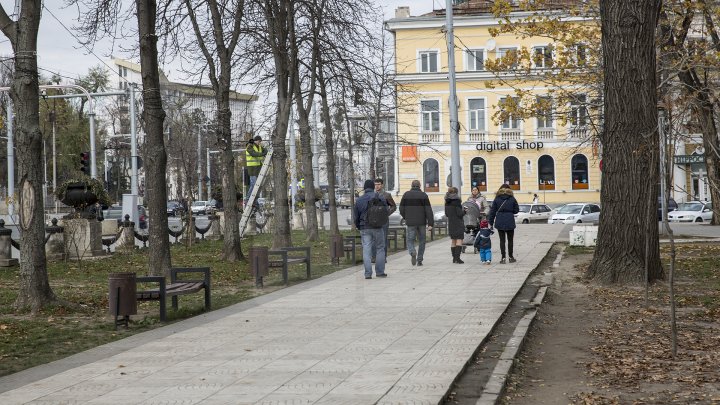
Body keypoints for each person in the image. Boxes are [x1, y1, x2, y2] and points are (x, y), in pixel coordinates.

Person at [354, 179, 389, 279]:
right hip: (378, 227)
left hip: (364, 227)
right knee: (380, 248)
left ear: (364, 188)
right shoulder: (380, 197)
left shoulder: (359, 200)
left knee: (366, 250)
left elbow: (356, 216)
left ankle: (368, 273)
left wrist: (358, 226)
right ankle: (380, 272)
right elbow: (386, 211)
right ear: (373, 187)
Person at [399, 180, 434, 266]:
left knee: (410, 240)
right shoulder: (423, 195)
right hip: (422, 222)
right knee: (422, 241)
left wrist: (405, 217)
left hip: (410, 222)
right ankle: (420, 260)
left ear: (411, 185)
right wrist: (430, 223)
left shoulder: (406, 194)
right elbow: (428, 210)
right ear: (420, 186)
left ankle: (412, 251)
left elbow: (401, 208)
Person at [487, 184, 520, 264]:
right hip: (509, 220)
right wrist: (510, 211)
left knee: (502, 240)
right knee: (510, 240)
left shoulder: (497, 198)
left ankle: (503, 258)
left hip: (500, 220)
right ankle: (511, 257)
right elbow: (516, 210)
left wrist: (490, 223)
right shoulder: (512, 198)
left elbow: (492, 212)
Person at [372, 178, 396, 263]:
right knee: (374, 239)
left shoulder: (387, 195)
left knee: (383, 238)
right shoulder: (372, 195)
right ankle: (374, 257)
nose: (377, 186)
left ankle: (383, 257)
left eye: (378, 184)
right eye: (375, 184)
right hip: (374, 220)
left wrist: (387, 213)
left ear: (382, 185)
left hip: (384, 220)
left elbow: (393, 206)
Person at [445, 186, 466, 264]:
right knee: (459, 240)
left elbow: (447, 214)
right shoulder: (457, 201)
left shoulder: (447, 201)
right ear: (456, 193)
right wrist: (465, 211)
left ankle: (454, 258)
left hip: (451, 223)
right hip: (458, 223)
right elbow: (460, 214)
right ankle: (458, 258)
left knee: (453, 241)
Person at [245, 135, 267, 206]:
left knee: (258, 186)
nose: (260, 143)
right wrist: (263, 154)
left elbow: (265, 150)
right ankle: (248, 199)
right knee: (253, 185)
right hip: (252, 169)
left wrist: (264, 152)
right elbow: (253, 154)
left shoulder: (259, 147)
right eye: (259, 141)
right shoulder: (249, 146)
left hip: (258, 169)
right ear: (255, 140)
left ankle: (255, 200)